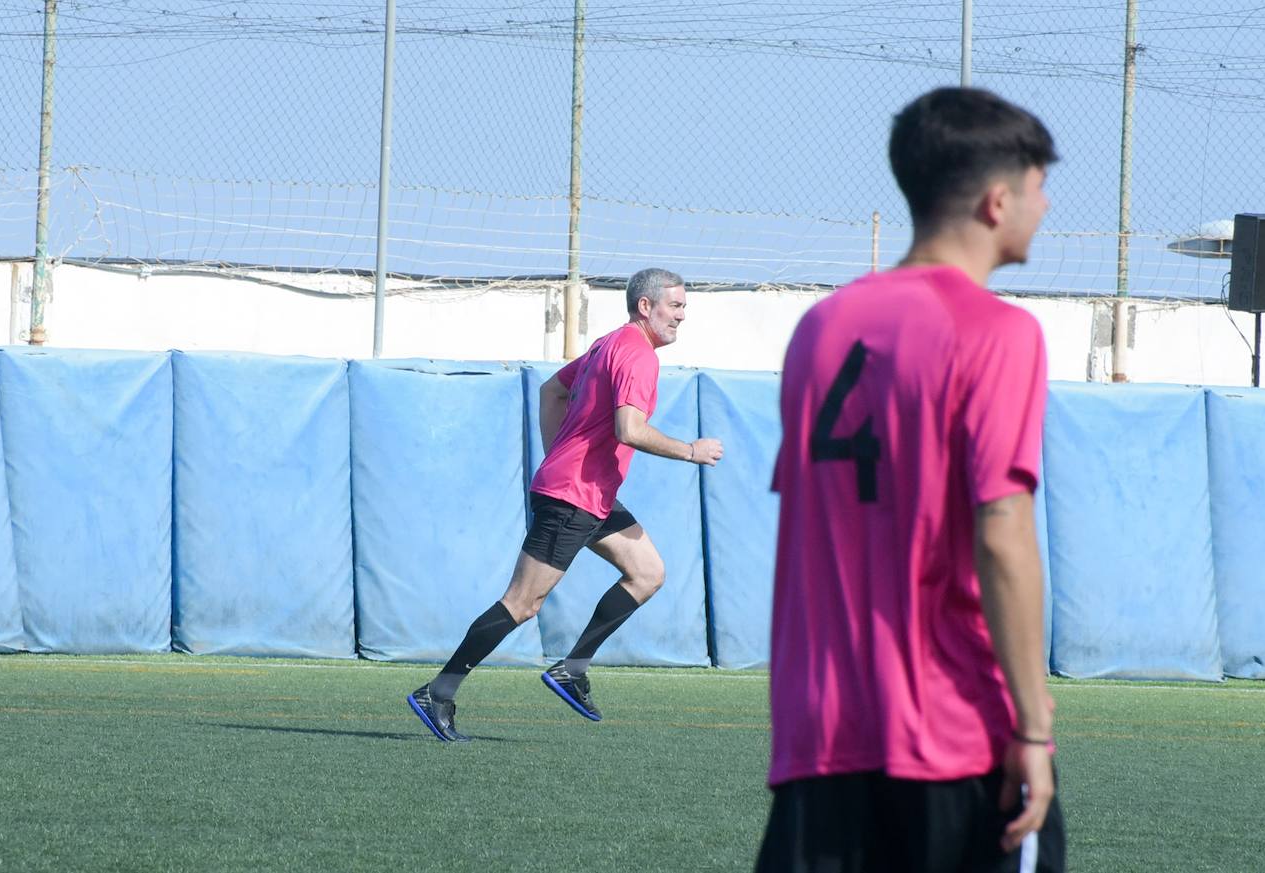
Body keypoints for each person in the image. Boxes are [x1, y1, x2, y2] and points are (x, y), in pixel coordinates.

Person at [757, 87, 1066, 872]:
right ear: (998, 201)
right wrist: (1034, 727)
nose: (1046, 205)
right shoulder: (998, 331)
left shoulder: (820, 327)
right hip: (955, 739)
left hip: (820, 742)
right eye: (1039, 187)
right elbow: (1003, 533)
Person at [408, 267, 724, 743]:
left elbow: (551, 391)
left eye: (683, 307)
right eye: (675, 306)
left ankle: (572, 669)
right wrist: (690, 451)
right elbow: (629, 430)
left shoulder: (609, 344)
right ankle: (439, 691)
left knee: (647, 573)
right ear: (645, 306)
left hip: (590, 494)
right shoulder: (638, 355)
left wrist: (560, 455)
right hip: (572, 497)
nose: (682, 316)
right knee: (522, 604)